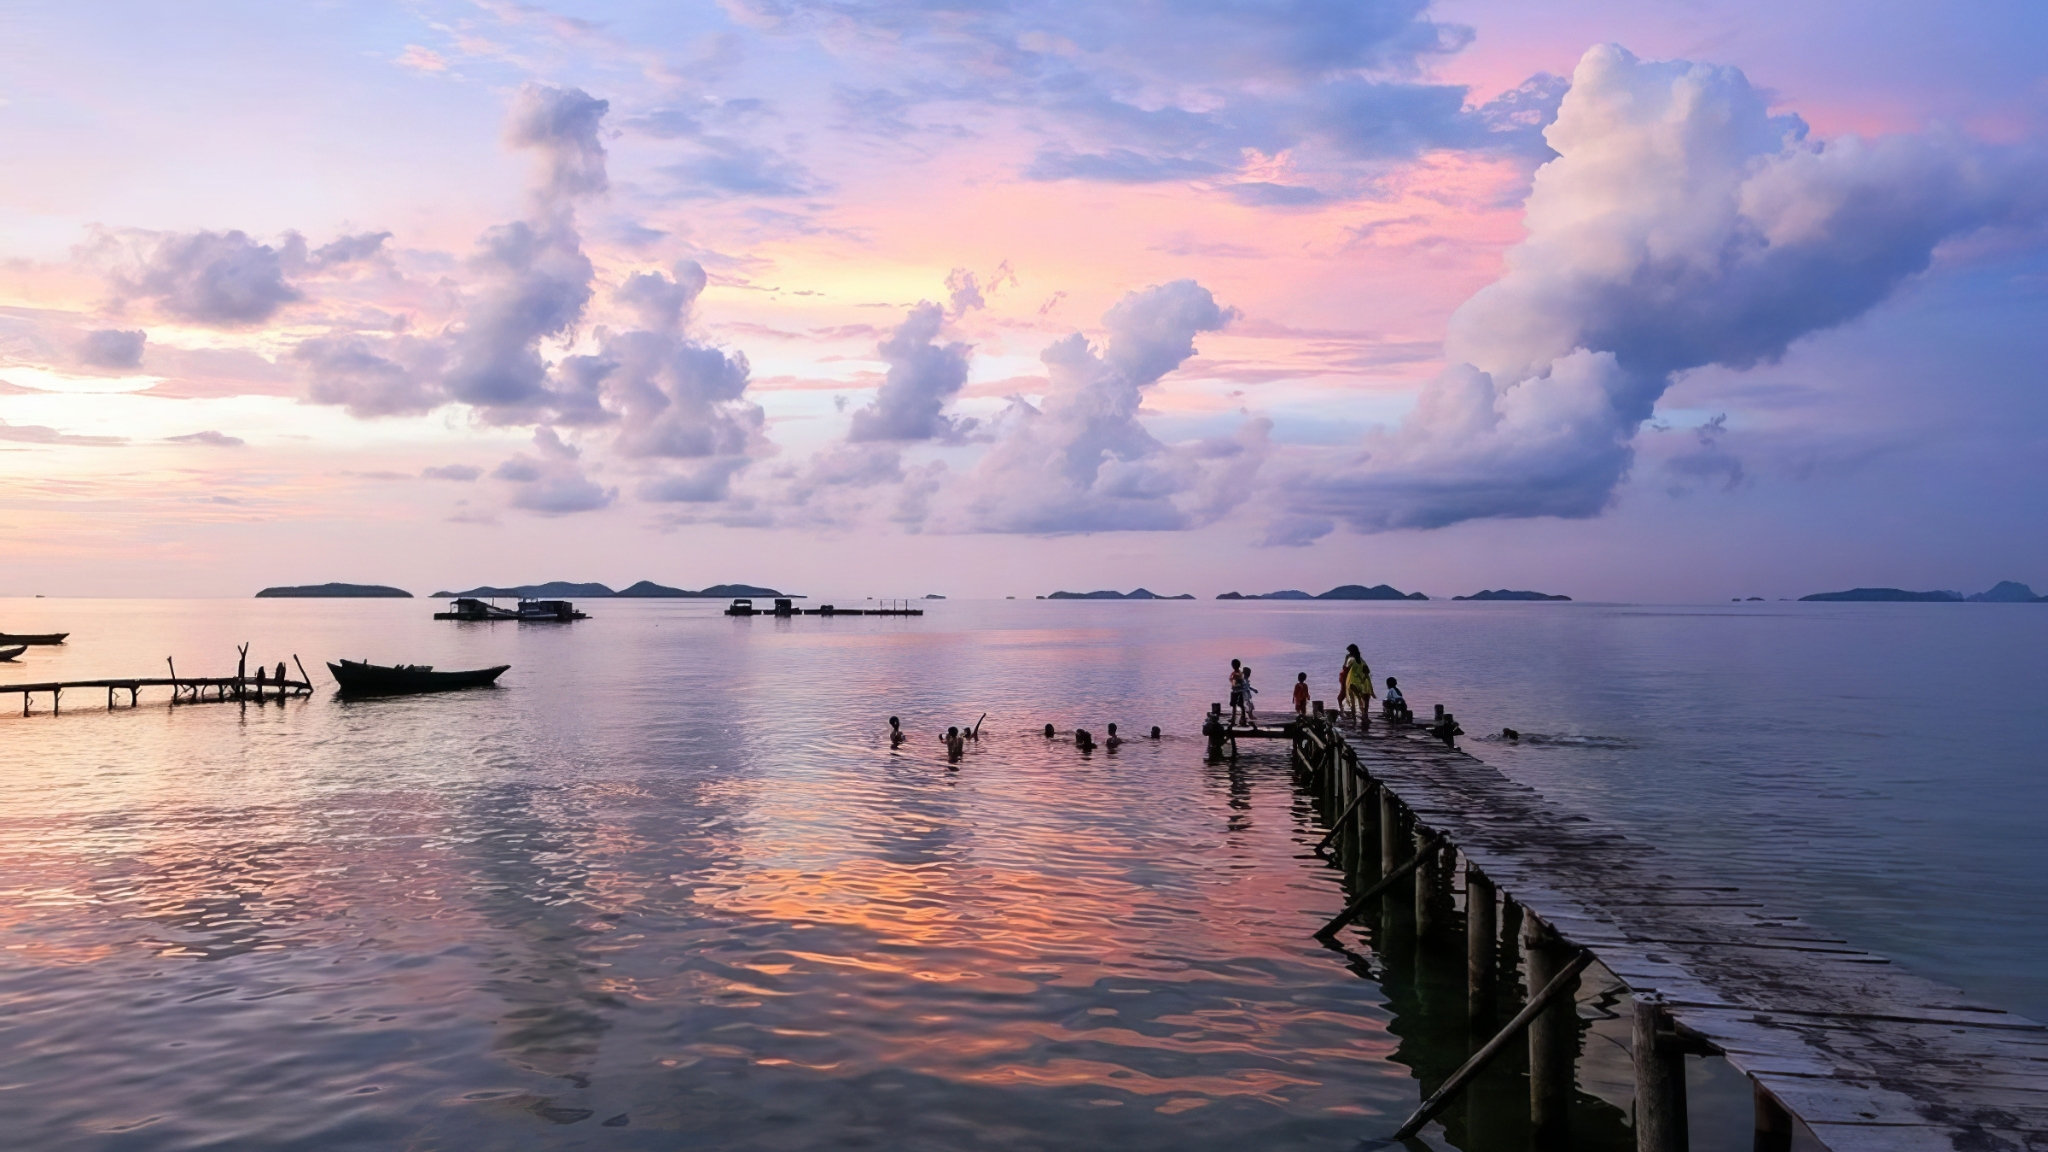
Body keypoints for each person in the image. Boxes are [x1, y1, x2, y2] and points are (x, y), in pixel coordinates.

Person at [1227, 658, 1245, 725]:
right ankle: (1242, 719)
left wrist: (1231, 680)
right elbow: (1242, 682)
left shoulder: (1235, 674)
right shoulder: (1240, 673)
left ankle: (1233, 719)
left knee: (1234, 706)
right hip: (1240, 691)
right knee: (1241, 705)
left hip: (1235, 691)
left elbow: (1234, 683)